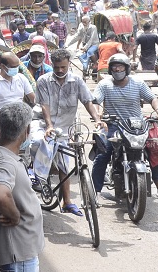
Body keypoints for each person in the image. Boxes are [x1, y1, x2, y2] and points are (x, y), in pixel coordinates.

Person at [33, 49, 102, 215]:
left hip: (64, 127)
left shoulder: (77, 81)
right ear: (52, 65)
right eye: (56, 67)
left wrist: (97, 119)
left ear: (69, 64)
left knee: (66, 161)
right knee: (37, 142)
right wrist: (48, 126)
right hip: (42, 123)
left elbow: (87, 101)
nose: (60, 70)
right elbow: (45, 106)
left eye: (63, 67)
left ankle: (67, 202)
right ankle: (37, 175)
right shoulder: (44, 80)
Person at [92, 54, 158, 197]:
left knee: (155, 148)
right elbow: (96, 102)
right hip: (114, 125)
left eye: (120, 67)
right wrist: (98, 117)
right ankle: (95, 191)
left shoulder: (138, 83)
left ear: (126, 68)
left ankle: (157, 180)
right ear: (110, 69)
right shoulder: (104, 84)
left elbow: (153, 98)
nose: (117, 70)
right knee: (103, 153)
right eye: (114, 67)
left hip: (137, 126)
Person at [0, 102, 44, 271]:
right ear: (26, 130)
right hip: (19, 252)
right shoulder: (5, 162)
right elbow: (0, 195)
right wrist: (15, 216)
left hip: (18, 251)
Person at [0, 52, 35, 127]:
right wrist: (0, 116)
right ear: (2, 66)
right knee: (15, 125)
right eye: (13, 67)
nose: (16, 69)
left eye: (17, 66)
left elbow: (32, 97)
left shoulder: (21, 77)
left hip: (20, 113)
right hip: (0, 115)